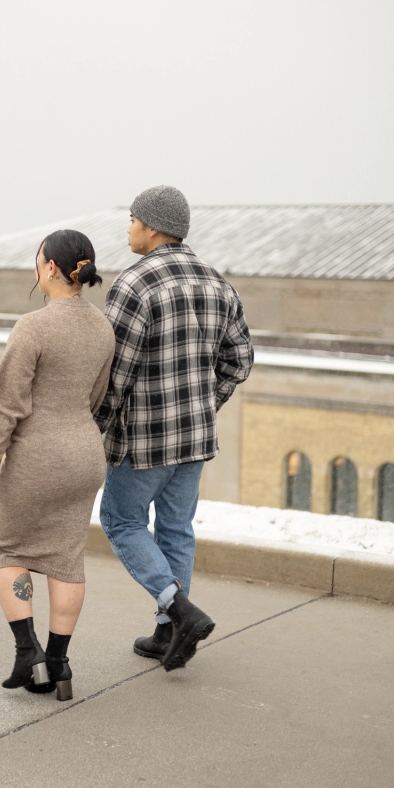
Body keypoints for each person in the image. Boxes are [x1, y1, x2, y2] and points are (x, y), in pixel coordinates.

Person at [95, 186, 254, 672]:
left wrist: (95, 428)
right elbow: (239, 360)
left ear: (154, 227)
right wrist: (205, 404)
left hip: (142, 441)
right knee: (176, 530)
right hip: (195, 438)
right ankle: (168, 635)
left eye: (132, 220)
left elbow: (113, 375)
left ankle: (178, 609)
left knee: (121, 521)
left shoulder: (133, 284)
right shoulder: (217, 282)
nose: (127, 228)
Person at [0, 230, 115, 701]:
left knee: (4, 548)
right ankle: (60, 662)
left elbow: (5, 408)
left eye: (37, 261)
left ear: (50, 268)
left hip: (38, 456)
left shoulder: (33, 327)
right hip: (86, 454)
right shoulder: (102, 328)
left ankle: (28, 652)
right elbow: (95, 397)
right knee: (66, 558)